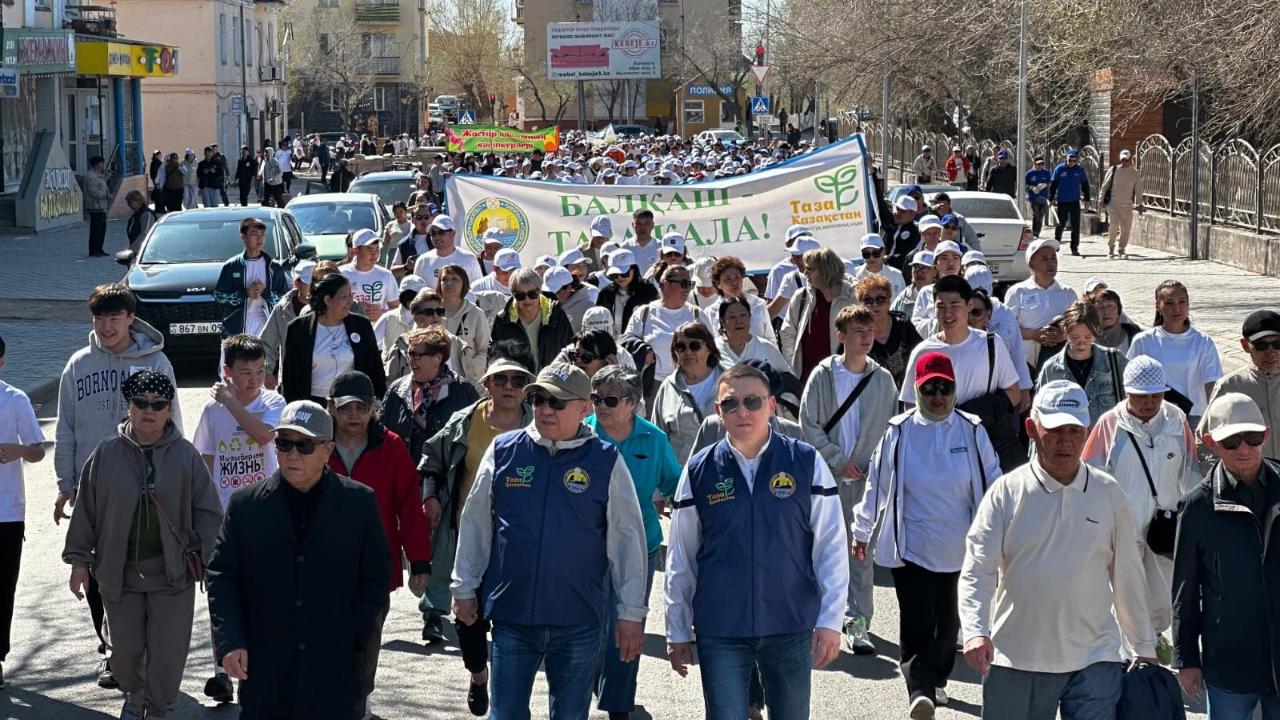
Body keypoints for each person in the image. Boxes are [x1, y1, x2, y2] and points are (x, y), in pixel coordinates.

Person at [450, 362, 648, 720]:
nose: (545, 409)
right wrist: (464, 586)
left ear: (584, 408)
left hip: (578, 620)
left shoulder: (606, 461)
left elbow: (627, 542)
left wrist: (631, 613)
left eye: (557, 402)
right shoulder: (504, 450)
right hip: (513, 616)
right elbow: (475, 523)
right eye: (538, 400)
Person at [960, 380, 1158, 720]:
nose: (1065, 441)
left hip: (1095, 658)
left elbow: (1127, 575)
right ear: (1031, 429)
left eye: (1074, 431)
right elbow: (978, 569)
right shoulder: (1006, 493)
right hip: (1018, 657)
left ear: (1087, 432)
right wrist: (975, 631)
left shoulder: (1108, 493)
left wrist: (1143, 645)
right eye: (1053, 431)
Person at [665, 362, 849, 720]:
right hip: (721, 628)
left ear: (771, 405)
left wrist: (830, 621)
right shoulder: (700, 470)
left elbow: (830, 547)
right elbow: (681, 557)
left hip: (789, 624)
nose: (742, 411)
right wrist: (677, 628)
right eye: (730, 404)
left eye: (752, 401)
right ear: (718, 411)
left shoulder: (805, 462)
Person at [208, 400, 391, 720]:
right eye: (284, 443)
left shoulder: (359, 503)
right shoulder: (245, 506)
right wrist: (230, 641)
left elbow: (375, 579)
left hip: (336, 671)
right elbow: (222, 576)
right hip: (265, 672)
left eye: (304, 445)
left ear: (328, 450)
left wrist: (356, 638)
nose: (292, 454)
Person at [63, 370, 224, 720]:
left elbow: (208, 513)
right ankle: (134, 696)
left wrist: (214, 565)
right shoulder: (105, 455)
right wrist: (78, 562)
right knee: (125, 649)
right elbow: (86, 511)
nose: (149, 410)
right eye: (141, 403)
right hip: (118, 572)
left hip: (172, 572)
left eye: (158, 404)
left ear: (168, 410)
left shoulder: (186, 456)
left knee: (168, 651)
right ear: (129, 406)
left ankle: (159, 706)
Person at [851, 352, 1002, 717]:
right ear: (916, 390)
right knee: (917, 620)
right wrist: (862, 531)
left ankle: (938, 679)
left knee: (948, 625)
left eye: (944, 389)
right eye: (929, 388)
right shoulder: (899, 431)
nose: (938, 397)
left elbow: (995, 483)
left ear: (955, 390)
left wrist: (1003, 534)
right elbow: (876, 486)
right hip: (911, 545)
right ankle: (919, 690)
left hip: (959, 548)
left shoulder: (972, 429)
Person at [54, 284, 181, 687]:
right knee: (98, 573)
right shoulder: (78, 364)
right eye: (99, 318)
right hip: (94, 487)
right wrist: (66, 481)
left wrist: (171, 479)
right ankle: (112, 650)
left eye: (114, 318)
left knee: (141, 569)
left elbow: (173, 423)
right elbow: (65, 427)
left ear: (130, 318)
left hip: (144, 486)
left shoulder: (155, 362)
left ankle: (137, 648)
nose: (106, 327)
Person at [418, 350, 533, 714]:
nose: (509, 387)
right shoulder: (464, 421)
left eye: (518, 380)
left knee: (512, 623)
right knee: (468, 616)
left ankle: (508, 697)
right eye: (501, 379)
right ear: (487, 385)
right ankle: (478, 674)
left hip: (521, 542)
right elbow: (432, 459)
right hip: (469, 535)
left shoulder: (540, 425)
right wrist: (430, 496)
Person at [324, 371, 431, 718]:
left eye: (361, 407)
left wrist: (420, 562)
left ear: (374, 408)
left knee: (367, 637)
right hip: (320, 561)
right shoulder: (314, 445)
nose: (354, 415)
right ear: (331, 408)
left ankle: (361, 696)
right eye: (345, 408)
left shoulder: (391, 446)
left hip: (374, 564)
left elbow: (410, 508)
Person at [1083, 356, 1198, 662]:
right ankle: (1136, 653)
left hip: (1166, 525)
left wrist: (1191, 514)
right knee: (1127, 594)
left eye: (1155, 396)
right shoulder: (1110, 423)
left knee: (1163, 596)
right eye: (1141, 396)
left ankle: (1153, 635)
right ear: (1127, 393)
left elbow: (1191, 469)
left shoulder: (1176, 419)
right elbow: (1090, 474)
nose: (1148, 403)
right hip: (1124, 526)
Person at [1173, 392, 1280, 719]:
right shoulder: (1197, 508)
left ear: (1266, 435)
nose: (1244, 448)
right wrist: (1187, 659)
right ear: (1211, 442)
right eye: (1232, 441)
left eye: (1252, 438)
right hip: (1229, 662)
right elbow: (1185, 590)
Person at [798, 305, 898, 656]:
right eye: (858, 331)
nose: (866, 337)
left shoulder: (883, 379)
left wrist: (877, 468)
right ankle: (820, 620)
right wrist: (838, 460)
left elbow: (892, 430)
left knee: (861, 554)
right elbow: (808, 424)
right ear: (841, 336)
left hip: (867, 482)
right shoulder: (823, 375)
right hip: (828, 479)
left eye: (870, 331)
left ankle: (858, 624)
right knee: (823, 551)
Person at [191, 335, 286, 701]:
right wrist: (199, 513)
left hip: (264, 511)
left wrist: (230, 402)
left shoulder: (273, 402)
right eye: (245, 373)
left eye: (260, 371)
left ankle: (258, 664)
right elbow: (205, 461)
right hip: (223, 516)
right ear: (227, 371)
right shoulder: (211, 412)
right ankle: (221, 671)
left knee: (262, 591)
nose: (254, 380)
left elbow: (263, 436)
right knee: (223, 591)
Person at [586, 366, 681, 719]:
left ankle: (618, 703)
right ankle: (596, 684)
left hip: (640, 546)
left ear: (633, 403)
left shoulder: (653, 439)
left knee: (626, 624)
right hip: (588, 546)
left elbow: (676, 486)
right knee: (590, 626)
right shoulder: (582, 434)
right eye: (596, 398)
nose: (601, 406)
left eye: (610, 400)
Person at [0, 335, 45, 688]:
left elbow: (37, 450)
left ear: (2, 362)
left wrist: (17, 450)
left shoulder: (15, 400)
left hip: (7, 512)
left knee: (2, 588)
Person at [380, 325, 480, 468]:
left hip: (446, 476)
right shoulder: (397, 390)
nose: (411, 360)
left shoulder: (463, 391)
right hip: (404, 474)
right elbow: (382, 435)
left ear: (437, 358)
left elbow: (474, 439)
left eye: (417, 355)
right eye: (410, 354)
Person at [280, 272, 386, 403]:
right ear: (328, 300)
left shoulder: (361, 326)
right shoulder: (298, 328)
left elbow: (375, 368)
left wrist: (378, 401)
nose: (350, 301)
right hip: (311, 403)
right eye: (344, 297)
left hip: (351, 403)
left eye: (351, 295)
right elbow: (289, 376)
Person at [1127, 280, 1222, 423]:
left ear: (1188, 304)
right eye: (1169, 303)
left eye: (1182, 302)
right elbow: (1129, 382)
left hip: (1193, 416)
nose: (1177, 308)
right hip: (1152, 415)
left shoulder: (1203, 341)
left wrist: (1215, 418)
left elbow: (1212, 384)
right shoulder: (1143, 341)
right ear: (1158, 306)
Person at [1036, 302, 1126, 427]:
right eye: (1075, 337)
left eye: (1088, 337)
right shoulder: (1051, 368)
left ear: (1097, 331)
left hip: (1108, 437)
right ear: (1065, 331)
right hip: (1068, 437)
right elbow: (1039, 412)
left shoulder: (1114, 360)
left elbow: (1131, 402)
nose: (1081, 344)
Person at [1204, 309, 1280, 458]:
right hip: (1254, 471)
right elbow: (1208, 436)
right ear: (1245, 345)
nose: (1271, 352)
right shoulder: (1229, 386)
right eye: (1261, 345)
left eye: (1277, 344)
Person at [651, 322, 726, 463]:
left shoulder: (729, 383)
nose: (688, 352)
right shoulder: (668, 387)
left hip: (723, 470)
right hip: (681, 472)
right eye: (681, 347)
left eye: (694, 346)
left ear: (709, 348)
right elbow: (657, 438)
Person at [624, 264, 707, 385]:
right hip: (652, 383)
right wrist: (643, 351)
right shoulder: (644, 312)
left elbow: (712, 348)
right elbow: (626, 342)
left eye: (690, 284)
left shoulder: (697, 314)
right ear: (666, 284)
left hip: (690, 382)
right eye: (684, 283)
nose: (688, 289)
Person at [1005, 237, 1078, 372]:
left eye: (1053, 258)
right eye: (1044, 259)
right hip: (1023, 363)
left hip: (1060, 364)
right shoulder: (1017, 292)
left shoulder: (1068, 293)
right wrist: (1034, 335)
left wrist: (1061, 335)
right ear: (1031, 264)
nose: (1051, 263)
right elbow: (1006, 329)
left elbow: (1078, 326)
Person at [215, 217, 291, 340]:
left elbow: (285, 300)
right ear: (243, 237)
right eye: (254, 234)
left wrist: (266, 293)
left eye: (262, 234)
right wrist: (245, 294)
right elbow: (219, 297)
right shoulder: (232, 266)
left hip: (266, 325)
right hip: (236, 328)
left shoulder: (274, 267)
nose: (260, 238)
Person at [490, 268, 575, 372]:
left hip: (552, 377)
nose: (527, 300)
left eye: (532, 294)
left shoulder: (556, 314)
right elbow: (497, 358)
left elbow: (569, 349)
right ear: (513, 294)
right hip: (519, 379)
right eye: (520, 296)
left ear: (540, 291)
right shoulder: (503, 320)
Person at [857, 274, 922, 389]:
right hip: (873, 395)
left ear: (889, 301)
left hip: (907, 392)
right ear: (861, 305)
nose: (874, 305)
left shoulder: (903, 325)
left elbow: (921, 355)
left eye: (880, 299)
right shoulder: (855, 331)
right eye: (868, 300)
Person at [260, 261, 316, 389]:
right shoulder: (282, 309)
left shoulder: (327, 306)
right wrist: (266, 370)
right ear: (297, 283)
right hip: (291, 380)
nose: (313, 287)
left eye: (316, 282)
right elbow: (266, 342)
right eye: (309, 283)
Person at [704, 256, 775, 342]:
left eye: (737, 277)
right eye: (728, 279)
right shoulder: (710, 312)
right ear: (718, 284)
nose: (734, 282)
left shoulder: (758, 304)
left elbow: (770, 338)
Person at [715, 296, 790, 371]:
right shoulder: (714, 349)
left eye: (743, 315)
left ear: (750, 317)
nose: (739, 321)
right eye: (732, 317)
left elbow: (787, 375)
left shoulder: (764, 346)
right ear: (722, 322)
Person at [341, 229, 400, 324]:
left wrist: (382, 314)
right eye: (369, 249)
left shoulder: (386, 275)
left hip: (377, 330)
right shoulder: (342, 274)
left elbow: (396, 308)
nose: (375, 254)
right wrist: (356, 308)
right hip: (349, 327)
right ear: (356, 250)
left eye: (377, 248)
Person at [596, 249, 659, 336]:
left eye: (624, 274)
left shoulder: (648, 291)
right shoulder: (606, 293)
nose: (619, 277)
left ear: (633, 270)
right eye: (615, 274)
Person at [413, 216, 482, 284]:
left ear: (453, 233)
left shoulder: (469, 258)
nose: (437, 236)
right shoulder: (423, 261)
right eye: (433, 233)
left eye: (441, 232)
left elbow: (478, 288)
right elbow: (415, 289)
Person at [1049, 148, 1092, 256]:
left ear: (1077, 160)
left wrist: (1087, 200)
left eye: (1074, 161)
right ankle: (1056, 244)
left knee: (1075, 226)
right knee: (1061, 224)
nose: (1071, 162)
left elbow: (1085, 185)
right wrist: (1051, 198)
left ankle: (1074, 248)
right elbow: (1053, 184)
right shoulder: (1059, 169)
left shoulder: (1080, 170)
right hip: (1062, 201)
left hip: (1074, 201)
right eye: (1070, 160)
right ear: (1067, 158)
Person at [1091, 288, 1142, 354]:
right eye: (1100, 307)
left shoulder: (1134, 335)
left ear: (1118, 310)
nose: (1106, 312)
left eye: (1110, 306)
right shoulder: (1087, 340)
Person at [892, 250, 936, 319]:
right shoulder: (904, 298)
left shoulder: (941, 296)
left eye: (924, 268)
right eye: (916, 268)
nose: (919, 272)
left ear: (935, 272)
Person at [83, 156, 111, 257]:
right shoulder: (91, 176)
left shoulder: (99, 175)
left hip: (101, 206)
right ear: (96, 164)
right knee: (96, 229)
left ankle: (99, 248)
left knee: (102, 229)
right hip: (95, 206)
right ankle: (94, 250)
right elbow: (93, 191)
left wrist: (106, 177)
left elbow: (102, 186)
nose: (103, 165)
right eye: (101, 163)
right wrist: (105, 195)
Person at [1025, 156, 1051, 238]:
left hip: (1043, 197)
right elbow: (1025, 185)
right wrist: (1032, 188)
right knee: (1036, 214)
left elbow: (1050, 183)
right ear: (1034, 163)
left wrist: (1045, 185)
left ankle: (1037, 232)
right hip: (1034, 198)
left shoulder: (1046, 173)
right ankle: (1034, 232)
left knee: (1041, 216)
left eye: (1042, 164)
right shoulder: (1029, 174)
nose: (1040, 165)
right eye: (1038, 164)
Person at [124, 190, 156, 254]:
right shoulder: (136, 215)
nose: (128, 205)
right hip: (137, 249)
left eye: (130, 203)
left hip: (143, 251)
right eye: (127, 203)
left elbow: (145, 234)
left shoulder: (146, 214)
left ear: (138, 201)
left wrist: (133, 249)